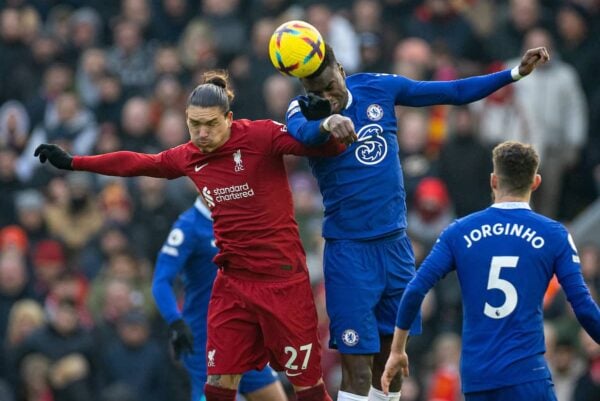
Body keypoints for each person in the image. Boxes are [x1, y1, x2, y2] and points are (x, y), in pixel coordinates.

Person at [34, 70, 346, 401]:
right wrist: (74, 162)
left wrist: (325, 124)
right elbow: (137, 163)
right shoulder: (190, 156)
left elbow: (325, 148)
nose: (201, 133)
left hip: (282, 282)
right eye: (193, 124)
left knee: (309, 391)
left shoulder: (261, 136)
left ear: (228, 117)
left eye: (210, 124)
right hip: (233, 286)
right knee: (217, 389)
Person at [285, 40, 550, 401]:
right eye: (318, 92)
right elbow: (301, 132)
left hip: (395, 248)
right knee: (357, 368)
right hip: (349, 253)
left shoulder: (377, 87)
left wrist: (515, 73)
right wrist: (328, 122)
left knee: (391, 367)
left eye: (331, 85)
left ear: (342, 71)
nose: (328, 96)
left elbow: (453, 91)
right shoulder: (303, 110)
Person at [381, 141, 600, 400]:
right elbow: (583, 306)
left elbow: (415, 289)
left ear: (493, 181)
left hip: (478, 378)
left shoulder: (459, 232)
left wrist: (397, 350)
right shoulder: (554, 235)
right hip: (527, 375)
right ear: (536, 182)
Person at [152, 196, 287, 401]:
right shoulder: (188, 227)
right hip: (206, 338)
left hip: (244, 336)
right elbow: (161, 281)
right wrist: (175, 321)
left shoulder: (239, 220)